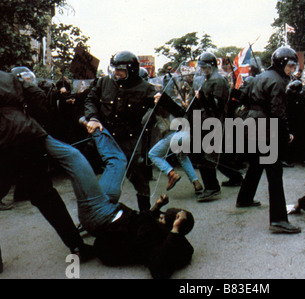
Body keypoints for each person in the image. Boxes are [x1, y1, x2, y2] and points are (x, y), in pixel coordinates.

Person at [45, 125, 195, 279]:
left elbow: (159, 272)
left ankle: (37, 136)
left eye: (163, 219)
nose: (160, 217)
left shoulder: (159, 244)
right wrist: (157, 206)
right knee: (118, 160)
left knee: (74, 158)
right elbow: (144, 222)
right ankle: (94, 123)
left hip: (100, 216)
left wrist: (175, 230)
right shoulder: (165, 234)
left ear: (171, 229)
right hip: (111, 208)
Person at [0, 70, 94, 261]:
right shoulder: (8, 76)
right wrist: (33, 121)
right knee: (44, 194)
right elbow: (37, 95)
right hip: (25, 136)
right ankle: (77, 246)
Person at [235, 46, 301, 234]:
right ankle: (279, 220)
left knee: (256, 163)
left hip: (250, 123)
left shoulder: (259, 77)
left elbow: (243, 97)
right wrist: (286, 132)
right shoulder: (278, 82)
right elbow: (278, 112)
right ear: (281, 63)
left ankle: (245, 198)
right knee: (274, 172)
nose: (292, 69)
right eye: (290, 65)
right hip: (264, 126)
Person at [84, 50, 157, 211]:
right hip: (105, 137)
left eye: (120, 70)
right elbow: (90, 100)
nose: (116, 73)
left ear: (131, 70)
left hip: (130, 140)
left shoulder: (146, 89)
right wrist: (93, 118)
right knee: (91, 178)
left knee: (140, 179)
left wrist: (161, 100)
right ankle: (95, 214)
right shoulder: (104, 82)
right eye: (114, 69)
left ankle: (146, 216)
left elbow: (167, 110)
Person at [188, 52, 243, 201]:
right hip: (208, 120)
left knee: (208, 156)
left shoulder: (217, 80)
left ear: (212, 66)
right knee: (216, 154)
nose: (203, 69)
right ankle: (235, 176)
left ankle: (212, 187)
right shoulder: (209, 79)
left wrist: (201, 99)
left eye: (205, 67)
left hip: (213, 121)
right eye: (202, 67)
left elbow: (217, 104)